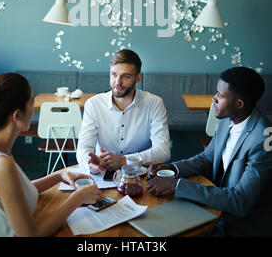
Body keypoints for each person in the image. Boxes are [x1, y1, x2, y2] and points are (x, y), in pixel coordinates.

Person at [146, 67, 272, 237]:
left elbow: (240, 202)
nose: (214, 98)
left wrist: (176, 185)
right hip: (213, 207)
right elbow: (207, 157)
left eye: (220, 95)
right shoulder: (227, 118)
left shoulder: (263, 138)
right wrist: (172, 169)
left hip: (240, 225)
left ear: (239, 104)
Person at [0, 73, 101, 237]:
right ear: (17, 115)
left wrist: (59, 176)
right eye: (31, 103)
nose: (33, 111)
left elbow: (14, 192)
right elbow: (31, 234)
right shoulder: (1, 164)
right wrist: (78, 197)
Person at [76, 49, 171, 173]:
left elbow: (163, 152)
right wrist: (89, 164)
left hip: (140, 172)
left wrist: (123, 160)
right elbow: (84, 148)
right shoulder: (94, 104)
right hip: (102, 171)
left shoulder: (154, 103)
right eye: (114, 74)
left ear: (138, 78)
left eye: (125, 76)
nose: (117, 82)